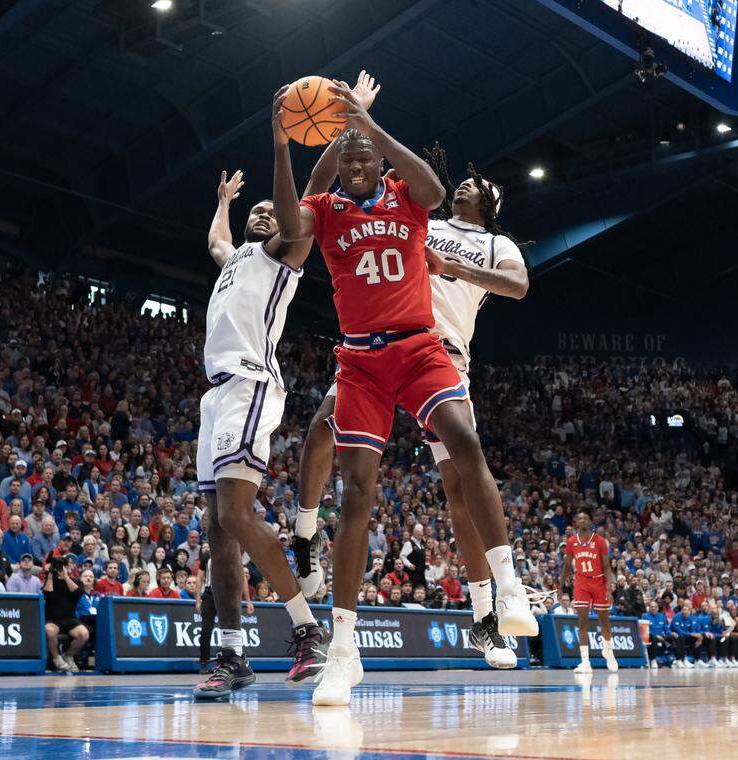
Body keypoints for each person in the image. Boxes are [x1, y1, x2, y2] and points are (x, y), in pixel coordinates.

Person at [271, 76, 535, 706]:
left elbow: (513, 283)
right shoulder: (359, 208)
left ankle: (498, 598)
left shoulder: (481, 235)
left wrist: (364, 125)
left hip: (435, 347)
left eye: (480, 187)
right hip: (364, 355)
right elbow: (305, 208)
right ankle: (318, 577)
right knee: (337, 455)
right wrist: (332, 131)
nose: (466, 189)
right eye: (352, 157)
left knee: (459, 470)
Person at [192, 157, 328, 701]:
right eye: (259, 210)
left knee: (235, 513)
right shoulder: (236, 260)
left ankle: (307, 630)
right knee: (218, 531)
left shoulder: (281, 257)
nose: (266, 213)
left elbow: (305, 209)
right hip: (215, 394)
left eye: (275, 210)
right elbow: (215, 245)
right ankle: (232, 653)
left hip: (249, 383)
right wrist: (224, 203)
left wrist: (283, 144)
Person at [561, 511, 617, 673]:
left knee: (604, 620)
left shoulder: (600, 541)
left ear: (590, 521)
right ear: (576, 522)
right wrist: (560, 586)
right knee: (582, 622)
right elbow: (566, 565)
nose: (582, 520)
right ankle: (585, 662)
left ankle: (608, 651)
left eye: (585, 518)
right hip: (581, 582)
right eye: (579, 518)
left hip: (599, 581)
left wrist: (608, 588)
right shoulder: (572, 542)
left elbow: (607, 566)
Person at [43, 555, 88, 673]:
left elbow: (77, 593)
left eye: (64, 566)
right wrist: (50, 575)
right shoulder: (50, 579)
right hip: (52, 618)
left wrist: (66, 577)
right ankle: (56, 658)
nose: (60, 568)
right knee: (49, 631)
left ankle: (67, 656)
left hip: (70, 618)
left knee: (84, 634)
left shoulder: (76, 581)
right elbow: (48, 595)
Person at [642, 599, 672, 669]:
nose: (653, 608)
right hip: (650, 637)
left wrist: (670, 633)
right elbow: (645, 630)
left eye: (655, 606)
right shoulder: (645, 616)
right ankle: (653, 659)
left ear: (658, 608)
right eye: (652, 606)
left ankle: (676, 659)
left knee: (674, 637)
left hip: (662, 637)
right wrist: (656, 636)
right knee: (654, 638)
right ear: (649, 608)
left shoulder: (662, 616)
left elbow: (666, 629)